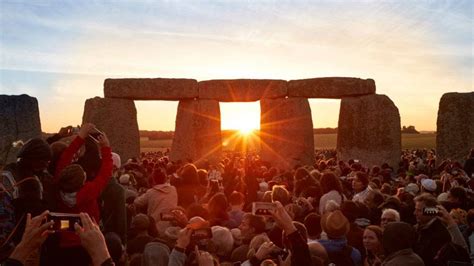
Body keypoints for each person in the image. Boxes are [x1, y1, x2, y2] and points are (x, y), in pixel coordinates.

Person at [132, 168, 178, 235]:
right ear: (165, 178)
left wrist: (139, 194)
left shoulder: (151, 192)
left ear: (153, 180)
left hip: (154, 227)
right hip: (171, 227)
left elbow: (137, 202)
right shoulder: (173, 189)